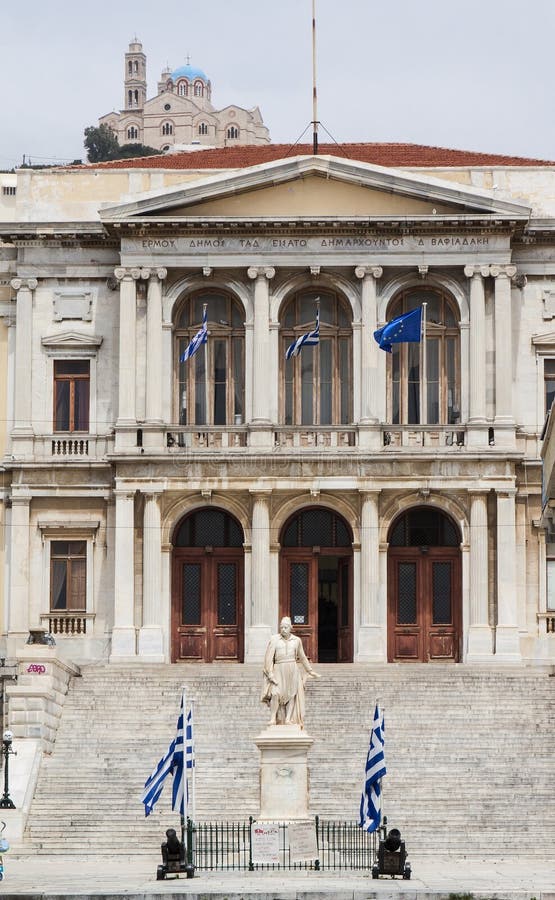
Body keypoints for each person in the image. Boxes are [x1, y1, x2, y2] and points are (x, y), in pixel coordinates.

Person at [261, 617, 321, 727]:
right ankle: (273, 718)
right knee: (275, 693)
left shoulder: (297, 640)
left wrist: (310, 670)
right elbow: (268, 658)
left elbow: (302, 657)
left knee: (292, 694)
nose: (283, 629)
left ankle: (288, 719)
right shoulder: (274, 639)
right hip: (278, 668)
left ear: (290, 628)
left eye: (285, 627)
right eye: (281, 627)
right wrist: (270, 673)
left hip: (293, 669)